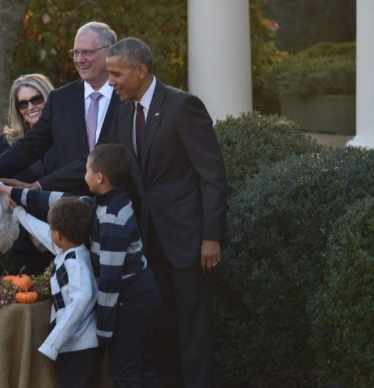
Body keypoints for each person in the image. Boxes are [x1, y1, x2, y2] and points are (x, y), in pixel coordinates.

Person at [106, 38, 228, 387]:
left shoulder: (182, 106)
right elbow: (108, 163)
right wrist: (34, 189)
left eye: (116, 74)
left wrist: (211, 236)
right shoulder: (125, 112)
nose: (111, 81)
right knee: (160, 331)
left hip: (190, 243)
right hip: (149, 245)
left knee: (194, 334)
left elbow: (212, 175)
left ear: (140, 70)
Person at [0, 144, 161, 387]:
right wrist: (13, 193)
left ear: (99, 177)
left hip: (134, 296)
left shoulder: (112, 219)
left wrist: (104, 331)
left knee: (125, 369)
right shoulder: (102, 202)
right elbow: (60, 200)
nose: (83, 174)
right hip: (132, 293)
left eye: (86, 170)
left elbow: (108, 280)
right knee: (140, 365)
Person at [0, 21, 120, 197]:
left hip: (122, 206)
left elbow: (99, 157)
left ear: (110, 51)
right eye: (75, 52)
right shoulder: (61, 99)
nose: (79, 59)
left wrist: (39, 186)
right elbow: (30, 146)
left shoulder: (126, 96)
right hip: (70, 208)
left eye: (87, 52)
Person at [9, 196, 100, 388]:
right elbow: (41, 232)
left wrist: (53, 343)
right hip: (70, 345)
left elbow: (82, 299)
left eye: (52, 228)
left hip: (79, 346)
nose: (48, 232)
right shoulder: (66, 251)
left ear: (59, 235)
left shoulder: (76, 262)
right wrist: (19, 213)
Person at [0, 73, 55, 275]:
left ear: (48, 99)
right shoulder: (8, 142)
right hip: (25, 240)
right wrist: (30, 232)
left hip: (61, 232)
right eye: (23, 104)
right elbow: (3, 193)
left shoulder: (64, 137)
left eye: (36, 99)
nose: (30, 107)